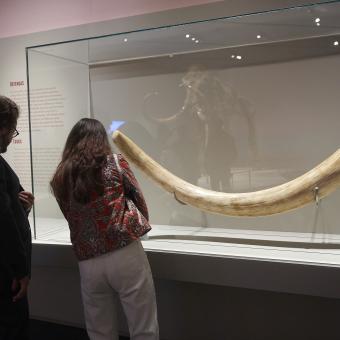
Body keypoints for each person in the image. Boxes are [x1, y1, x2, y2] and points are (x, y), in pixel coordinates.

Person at [50, 118, 159, 340]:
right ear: (101, 140)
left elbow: (70, 217)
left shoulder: (61, 177)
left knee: (99, 331)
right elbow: (141, 204)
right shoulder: (115, 163)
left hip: (88, 261)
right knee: (143, 327)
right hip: (125, 252)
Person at [0, 95, 34, 340]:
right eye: (13, 130)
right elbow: (3, 219)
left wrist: (24, 207)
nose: (13, 136)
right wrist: (21, 270)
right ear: (2, 129)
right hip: (6, 276)